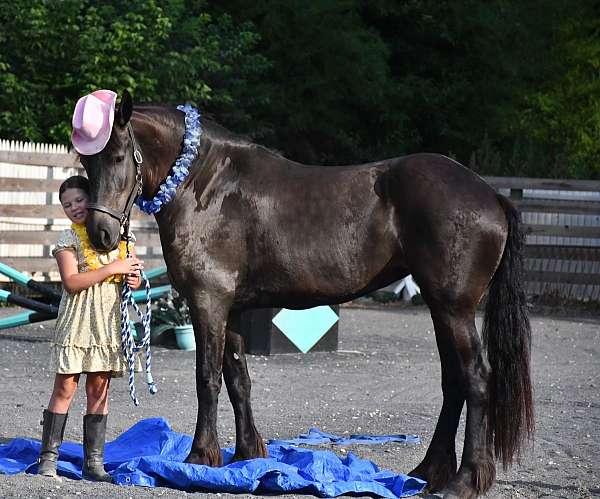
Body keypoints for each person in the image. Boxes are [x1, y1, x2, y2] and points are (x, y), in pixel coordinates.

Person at [37, 175, 144, 481]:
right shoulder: (67, 240)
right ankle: (48, 459)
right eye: (67, 204)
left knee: (99, 387)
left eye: (79, 200)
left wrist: (132, 278)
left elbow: (131, 275)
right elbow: (71, 282)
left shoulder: (122, 237)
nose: (74, 208)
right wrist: (113, 268)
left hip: (108, 321)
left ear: (93, 199)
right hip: (78, 319)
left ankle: (93, 463)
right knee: (66, 385)